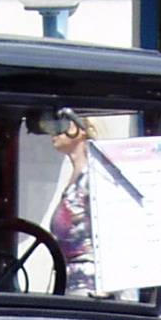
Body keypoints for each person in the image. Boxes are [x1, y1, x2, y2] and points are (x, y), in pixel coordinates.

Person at [49, 115, 97, 295]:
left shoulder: (93, 178)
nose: (54, 132)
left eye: (62, 125)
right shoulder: (75, 179)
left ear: (81, 130)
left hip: (90, 287)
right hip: (71, 283)